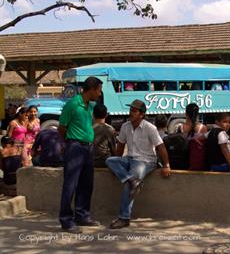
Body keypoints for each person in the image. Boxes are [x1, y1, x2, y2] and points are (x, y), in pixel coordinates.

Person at [106, 99, 170, 229]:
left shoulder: (150, 128)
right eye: (130, 110)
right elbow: (120, 147)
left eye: (134, 111)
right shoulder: (125, 126)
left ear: (142, 114)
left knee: (128, 185)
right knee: (110, 161)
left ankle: (124, 218)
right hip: (129, 159)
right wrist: (118, 164)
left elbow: (161, 147)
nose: (131, 113)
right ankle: (132, 179)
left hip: (146, 161)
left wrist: (166, 165)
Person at [58, 76, 103, 234]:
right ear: (91, 89)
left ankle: (82, 215)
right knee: (71, 184)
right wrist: (69, 143)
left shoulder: (89, 106)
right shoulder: (72, 104)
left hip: (88, 147)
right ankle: (66, 220)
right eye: (98, 90)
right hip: (75, 146)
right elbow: (62, 127)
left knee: (86, 183)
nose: (99, 93)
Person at [92, 104, 116, 168]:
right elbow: (113, 150)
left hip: (91, 161)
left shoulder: (88, 129)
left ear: (93, 115)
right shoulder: (110, 129)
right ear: (106, 115)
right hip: (105, 161)